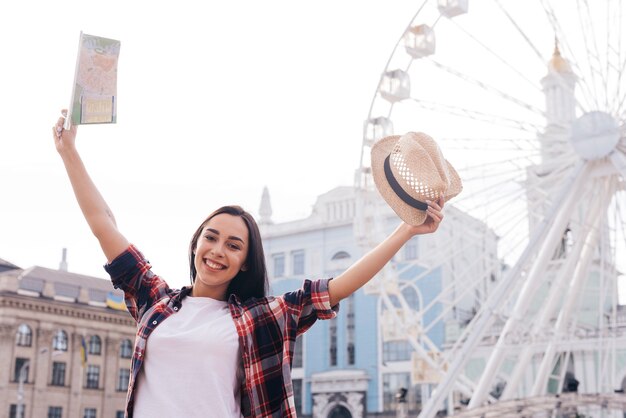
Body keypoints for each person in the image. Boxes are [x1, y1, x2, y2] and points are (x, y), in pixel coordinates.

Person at [52, 110, 445, 418]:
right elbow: (104, 223)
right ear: (195, 245)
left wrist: (406, 231)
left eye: (233, 245)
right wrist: (69, 152)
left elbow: (337, 288)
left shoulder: (262, 317)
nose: (218, 250)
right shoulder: (155, 302)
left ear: (244, 262)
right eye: (211, 237)